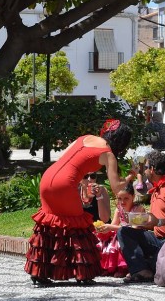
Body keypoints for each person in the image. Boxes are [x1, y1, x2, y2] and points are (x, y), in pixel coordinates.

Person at [24, 119, 132, 286]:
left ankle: (39, 271)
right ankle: (83, 273)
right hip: (65, 184)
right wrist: (131, 176)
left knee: (49, 225)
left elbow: (64, 157)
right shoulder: (108, 154)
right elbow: (117, 189)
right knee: (76, 226)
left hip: (47, 178)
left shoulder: (85, 137)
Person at [117, 150, 165, 283]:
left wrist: (159, 222)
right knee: (125, 232)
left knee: (126, 233)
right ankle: (142, 270)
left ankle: (145, 269)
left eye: (146, 167)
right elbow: (155, 220)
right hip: (157, 239)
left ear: (152, 169)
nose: (144, 171)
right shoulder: (157, 188)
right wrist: (145, 221)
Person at [96, 182, 146, 277]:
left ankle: (125, 268)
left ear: (133, 196)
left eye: (126, 198)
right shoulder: (119, 209)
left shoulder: (138, 208)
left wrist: (111, 227)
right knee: (104, 239)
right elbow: (114, 225)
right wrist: (104, 228)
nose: (122, 202)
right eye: (120, 199)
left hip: (135, 235)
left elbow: (134, 229)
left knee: (121, 240)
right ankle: (110, 267)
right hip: (121, 232)